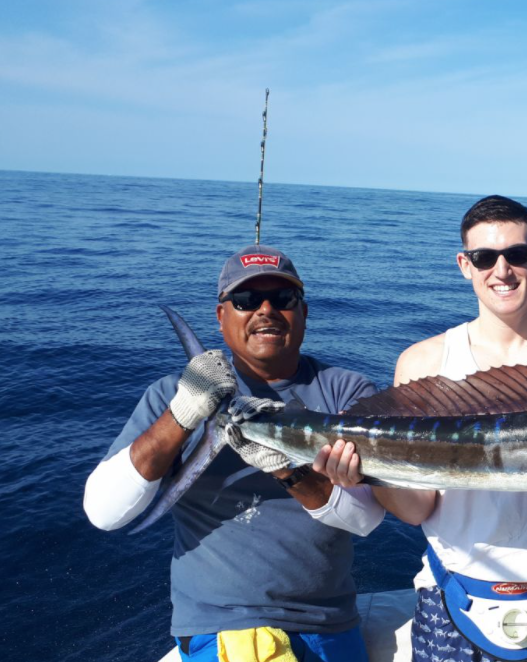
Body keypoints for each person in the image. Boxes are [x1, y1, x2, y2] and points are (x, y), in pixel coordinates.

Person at [318, 195, 527, 662]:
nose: (502, 270)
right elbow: (418, 509)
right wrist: (370, 475)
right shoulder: (424, 363)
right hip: (450, 597)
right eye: (484, 258)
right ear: (464, 265)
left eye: (516, 254)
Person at [84, 244, 389, 662]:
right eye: (246, 300)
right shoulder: (170, 395)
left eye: (283, 299)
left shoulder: (347, 393)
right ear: (221, 316)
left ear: (303, 312)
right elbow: (104, 512)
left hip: (328, 625)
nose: (265, 310)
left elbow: (366, 519)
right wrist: (183, 414)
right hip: (218, 629)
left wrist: (287, 470)